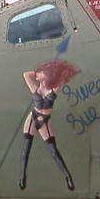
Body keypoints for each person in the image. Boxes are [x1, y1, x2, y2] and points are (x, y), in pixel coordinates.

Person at [19, 59, 81, 190]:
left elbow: (63, 79)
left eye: (40, 72)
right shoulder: (34, 88)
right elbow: (26, 74)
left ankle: (68, 176)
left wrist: (50, 72)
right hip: (33, 117)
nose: (36, 75)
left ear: (46, 74)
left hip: (45, 119)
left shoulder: (53, 89)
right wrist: (37, 71)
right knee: (26, 149)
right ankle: (23, 177)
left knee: (53, 150)